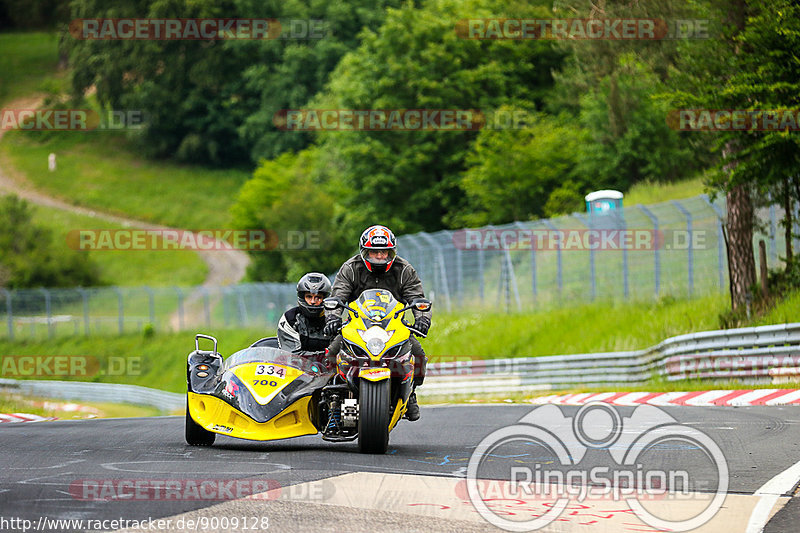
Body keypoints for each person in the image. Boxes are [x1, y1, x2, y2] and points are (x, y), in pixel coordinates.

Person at [323, 225, 431, 421]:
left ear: (392, 251)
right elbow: (337, 297)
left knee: (418, 354)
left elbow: (417, 298)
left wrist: (422, 320)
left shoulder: (404, 269)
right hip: (357, 324)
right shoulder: (350, 268)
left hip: (394, 325)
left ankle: (411, 392)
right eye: (375, 251)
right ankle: (333, 399)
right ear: (365, 251)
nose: (380, 256)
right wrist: (332, 319)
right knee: (331, 352)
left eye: (384, 252)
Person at [277, 272, 333, 361]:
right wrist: (326, 354)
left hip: (329, 370)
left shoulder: (333, 320)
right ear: (302, 297)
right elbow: (292, 356)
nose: (313, 301)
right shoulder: (290, 319)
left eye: (318, 297)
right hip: (295, 370)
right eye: (309, 297)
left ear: (325, 298)